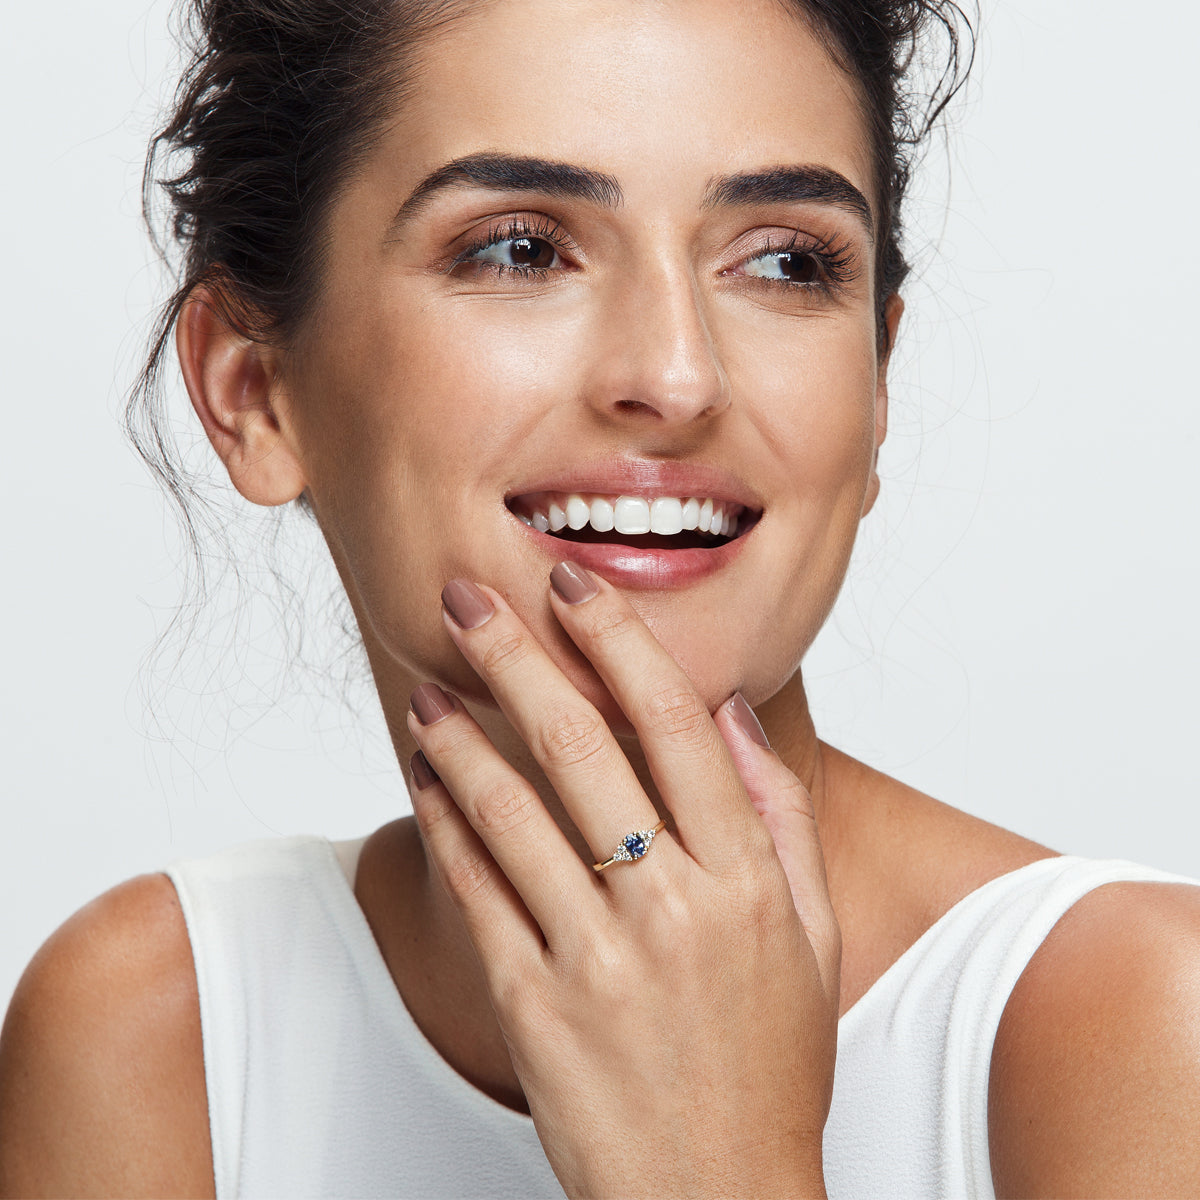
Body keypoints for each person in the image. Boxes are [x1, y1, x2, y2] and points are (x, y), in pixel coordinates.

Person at [2, 0, 1199, 1196]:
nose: (678, 377)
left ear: (877, 388)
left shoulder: (1135, 1023)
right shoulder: (162, 1034)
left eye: (787, 262)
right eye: (520, 248)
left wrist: (720, 1165)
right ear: (253, 393)